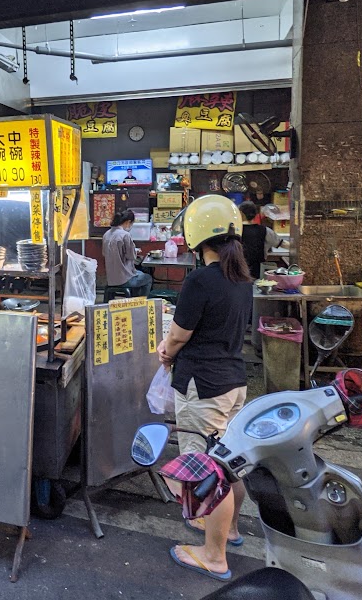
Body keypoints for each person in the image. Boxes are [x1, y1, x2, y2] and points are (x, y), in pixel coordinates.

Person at [157, 195, 253, 581]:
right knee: (230, 463)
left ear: (196, 236)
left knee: (206, 472)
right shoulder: (242, 280)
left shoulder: (200, 279)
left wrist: (166, 350)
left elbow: (180, 334)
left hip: (203, 387)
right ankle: (228, 530)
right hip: (233, 383)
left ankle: (214, 556)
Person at [102, 209, 153, 296]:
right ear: (128, 222)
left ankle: (133, 300)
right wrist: (135, 251)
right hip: (124, 279)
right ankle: (141, 305)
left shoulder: (106, 234)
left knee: (139, 274)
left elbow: (105, 253)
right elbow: (131, 256)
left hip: (110, 279)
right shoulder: (125, 235)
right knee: (148, 278)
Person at [238, 201, 285, 280]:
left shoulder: (235, 231)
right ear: (256, 214)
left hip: (238, 274)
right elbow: (282, 243)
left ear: (241, 213)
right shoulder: (264, 230)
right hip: (258, 274)